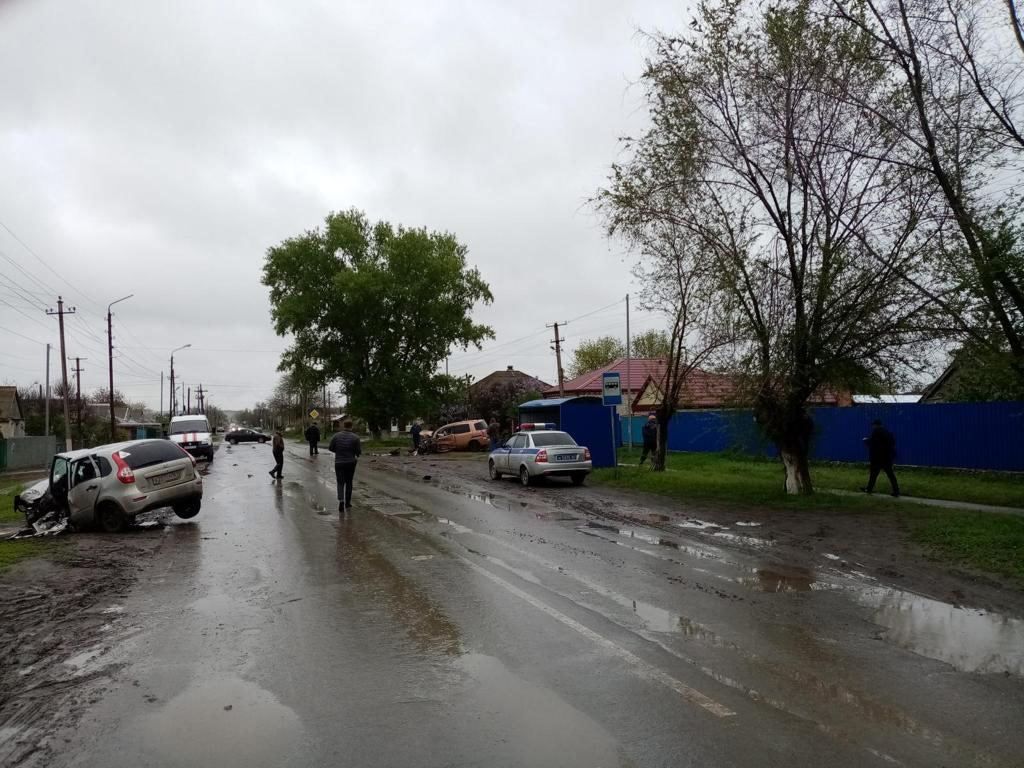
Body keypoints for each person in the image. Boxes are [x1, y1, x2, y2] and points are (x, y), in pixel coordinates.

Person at [329, 419, 362, 512]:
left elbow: (330, 448)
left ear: (343, 426)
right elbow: (358, 451)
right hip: (350, 462)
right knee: (349, 482)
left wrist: (338, 452)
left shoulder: (336, 436)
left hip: (339, 462)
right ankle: (348, 503)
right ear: (352, 426)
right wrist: (354, 453)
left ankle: (341, 501)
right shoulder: (355, 437)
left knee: (340, 482)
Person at [862, 419, 900, 497]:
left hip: (877, 458)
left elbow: (873, 443)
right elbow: (893, 442)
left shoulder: (876, 432)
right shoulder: (887, 432)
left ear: (875, 425)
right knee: (891, 475)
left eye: (873, 425)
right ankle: (896, 491)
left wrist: (866, 441)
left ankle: (869, 489)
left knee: (873, 475)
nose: (872, 427)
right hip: (887, 457)